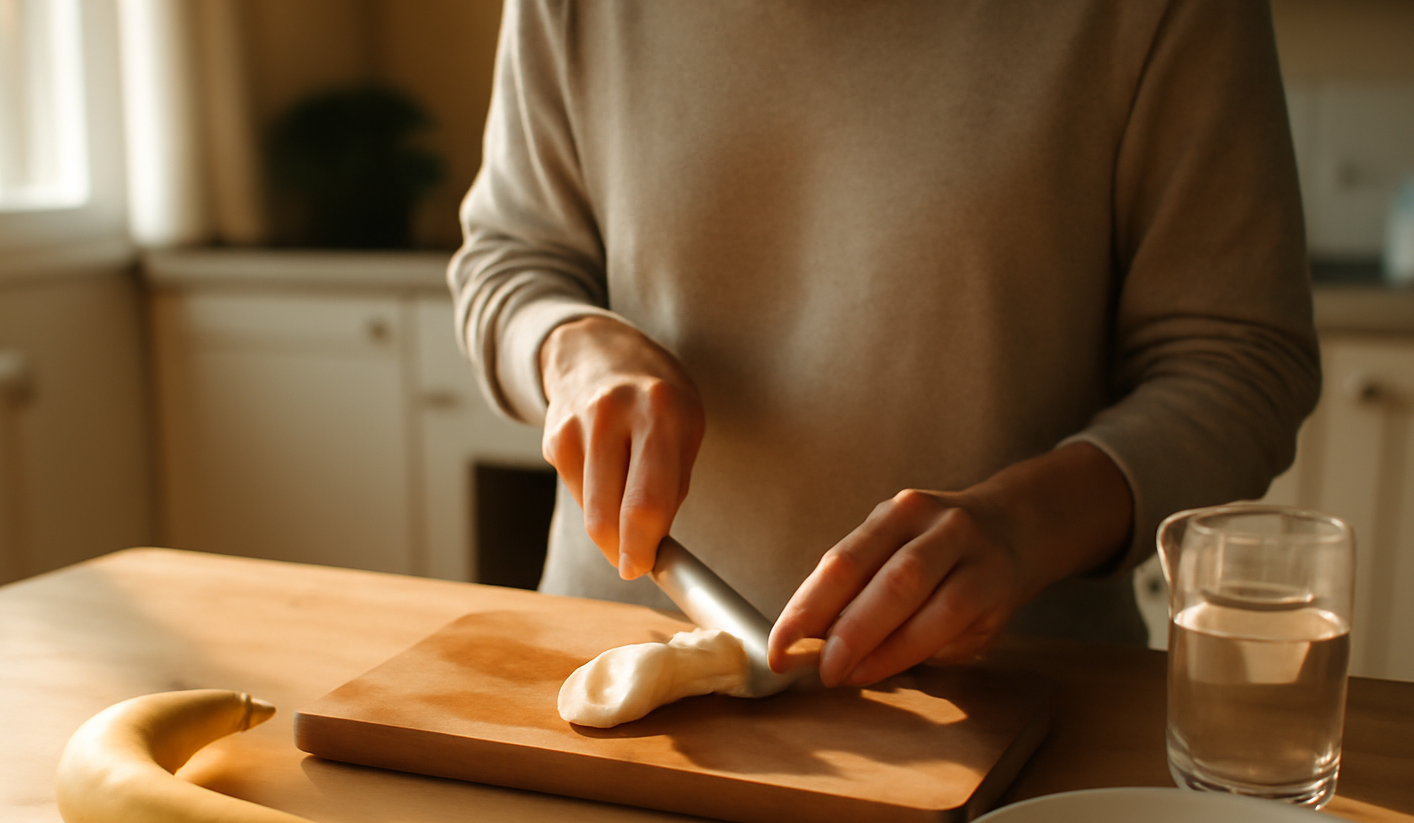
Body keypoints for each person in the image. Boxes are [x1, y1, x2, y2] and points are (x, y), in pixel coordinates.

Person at [450, 0, 1320, 687]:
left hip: (1009, 698)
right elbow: (510, 259)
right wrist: (573, 349)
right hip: (614, 646)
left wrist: (1025, 525)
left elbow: (1240, 360)